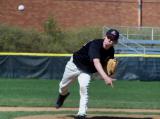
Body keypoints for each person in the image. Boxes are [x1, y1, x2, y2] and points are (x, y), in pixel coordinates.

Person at [55, 29, 119, 119]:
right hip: (74, 65)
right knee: (63, 86)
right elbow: (96, 62)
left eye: (112, 39)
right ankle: (63, 95)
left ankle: (82, 114)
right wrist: (105, 77)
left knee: (84, 87)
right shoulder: (96, 44)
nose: (109, 40)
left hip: (87, 70)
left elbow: (105, 66)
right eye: (108, 37)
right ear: (105, 36)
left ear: (115, 42)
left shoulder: (111, 51)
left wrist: (108, 75)